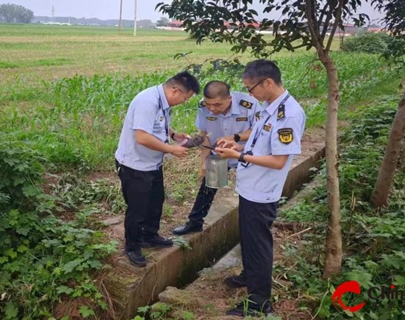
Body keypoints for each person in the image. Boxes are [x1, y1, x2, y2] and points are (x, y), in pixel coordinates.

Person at [215, 60, 305, 317]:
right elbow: (258, 140)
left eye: (251, 88)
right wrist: (235, 146)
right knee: (248, 237)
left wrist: (239, 157)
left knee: (258, 243)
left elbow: (278, 161)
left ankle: (259, 302)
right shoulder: (269, 108)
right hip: (250, 186)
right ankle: (249, 275)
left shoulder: (288, 114)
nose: (250, 93)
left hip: (262, 190)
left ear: (268, 82)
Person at [115, 71, 200, 268]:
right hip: (135, 165)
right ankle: (132, 246)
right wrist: (172, 149)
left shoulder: (163, 101)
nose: (184, 102)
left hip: (152, 163)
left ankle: (150, 236)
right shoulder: (148, 101)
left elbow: (158, 124)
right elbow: (142, 137)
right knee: (138, 209)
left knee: (156, 200)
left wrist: (175, 135)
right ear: (175, 90)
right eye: (185, 98)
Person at [172, 80, 260, 236]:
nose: (212, 109)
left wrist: (235, 138)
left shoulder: (249, 104)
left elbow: (258, 131)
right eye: (208, 104)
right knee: (208, 187)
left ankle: (251, 226)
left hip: (244, 153)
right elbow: (205, 135)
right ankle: (195, 222)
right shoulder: (202, 106)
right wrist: (204, 162)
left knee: (250, 191)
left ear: (229, 99)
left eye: (217, 105)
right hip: (219, 152)